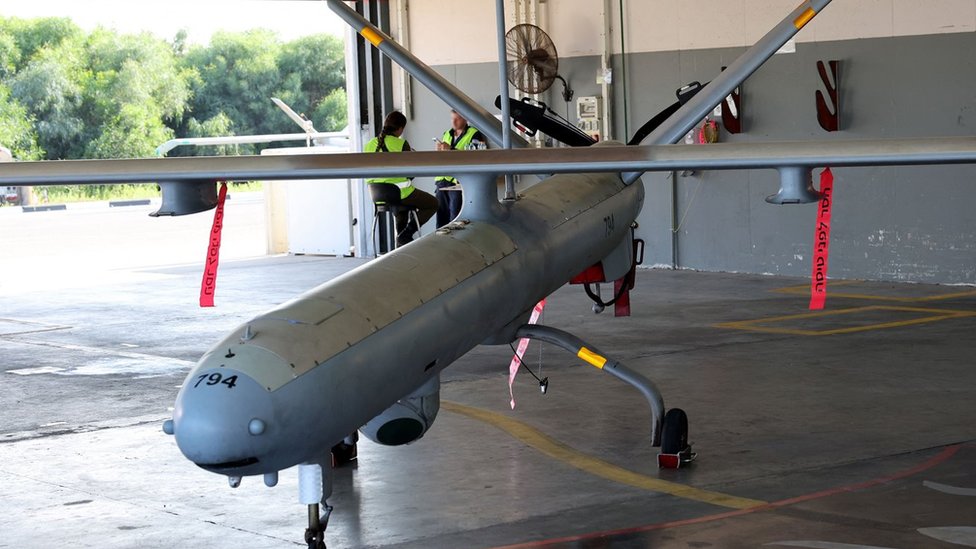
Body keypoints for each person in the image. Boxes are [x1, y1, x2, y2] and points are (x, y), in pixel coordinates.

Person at [365, 111, 438, 247]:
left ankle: (401, 245)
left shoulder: (369, 144)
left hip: (377, 194)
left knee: (401, 207)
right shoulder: (401, 144)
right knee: (433, 203)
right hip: (400, 192)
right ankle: (405, 235)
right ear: (400, 129)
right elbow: (411, 173)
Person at [434, 110, 487, 227]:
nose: (453, 122)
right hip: (442, 181)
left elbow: (476, 158)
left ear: (465, 119)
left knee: (455, 217)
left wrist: (451, 150)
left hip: (458, 182)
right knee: (441, 219)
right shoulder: (447, 134)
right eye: (452, 119)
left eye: (457, 119)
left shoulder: (474, 134)